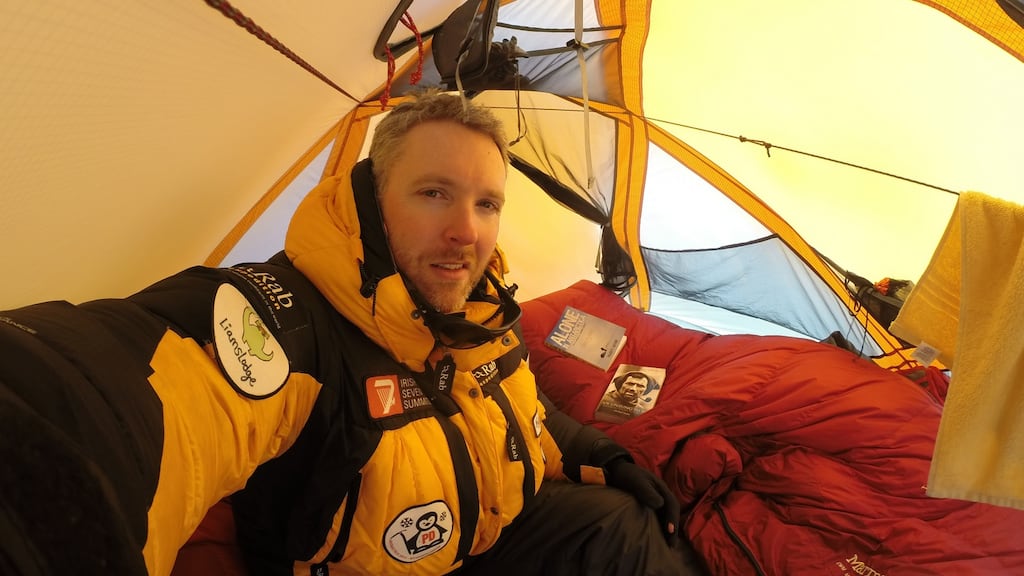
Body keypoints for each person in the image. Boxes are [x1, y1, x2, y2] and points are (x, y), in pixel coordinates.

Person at [0, 90, 695, 576]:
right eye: (434, 193)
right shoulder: (288, 322)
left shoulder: (482, 314)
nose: (467, 231)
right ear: (371, 199)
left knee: (622, 527)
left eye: (487, 203)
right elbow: (124, 382)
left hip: (488, 539)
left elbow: (520, 410)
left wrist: (604, 455)